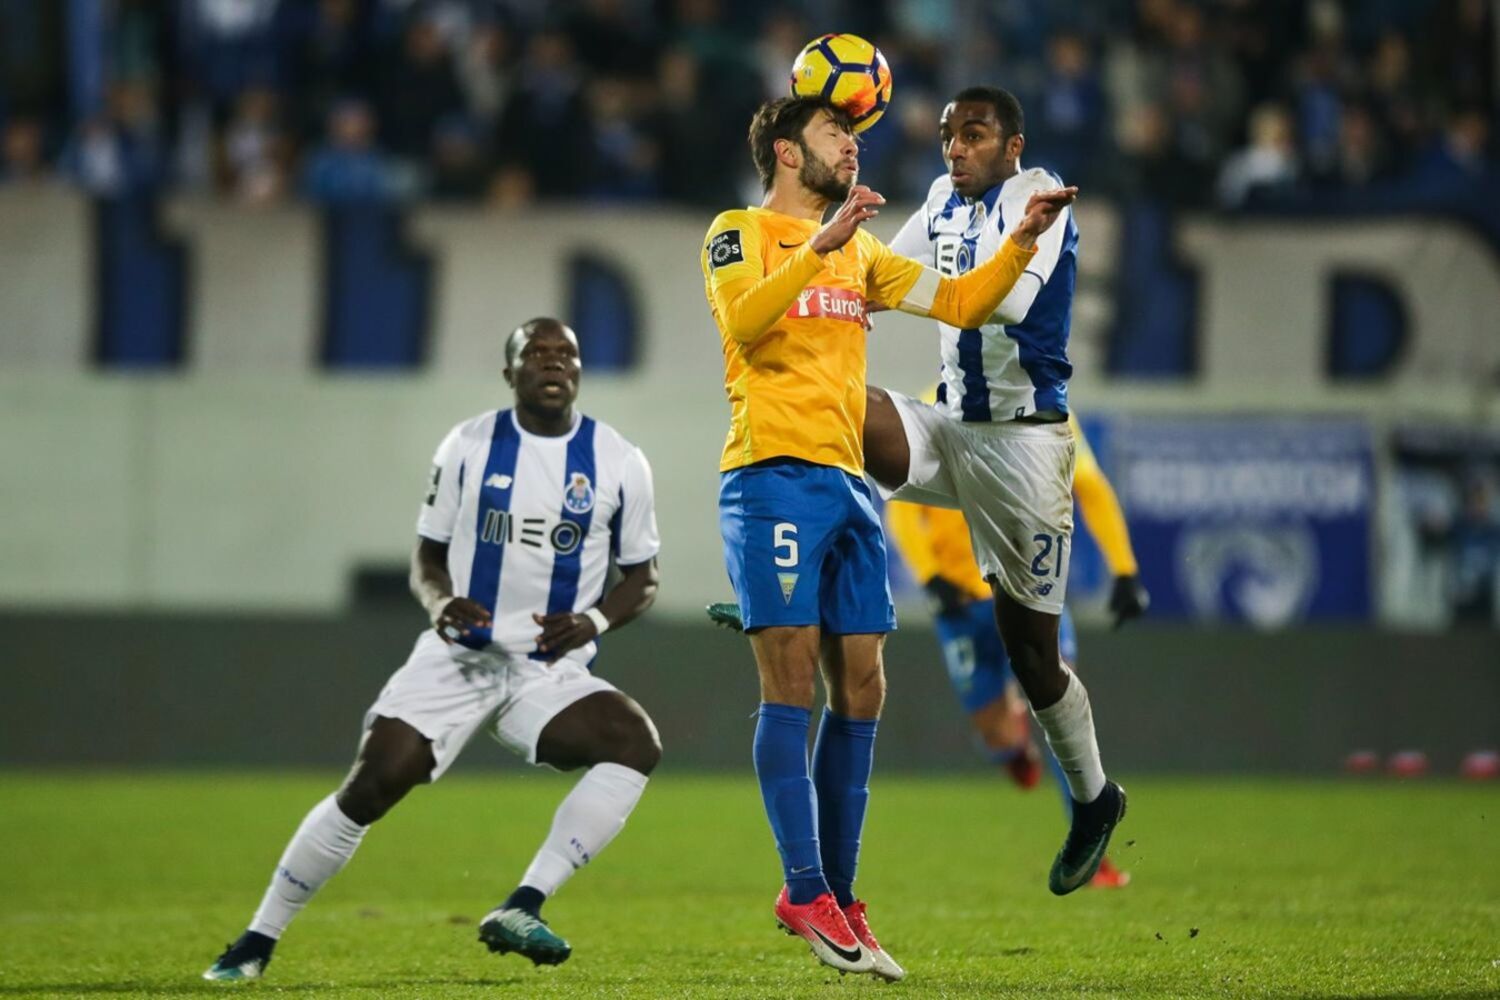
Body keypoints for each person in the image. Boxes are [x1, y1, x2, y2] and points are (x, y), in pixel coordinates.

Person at [699, 94, 1075, 980]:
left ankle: (840, 892)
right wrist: (817, 248)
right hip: (771, 474)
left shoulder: (863, 252)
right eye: (835, 133)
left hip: (849, 483)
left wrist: (1022, 241)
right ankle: (803, 890)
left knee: (863, 687)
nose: (852, 146)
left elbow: (962, 303)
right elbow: (743, 322)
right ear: (787, 151)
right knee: (791, 680)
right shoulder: (738, 232)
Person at [204, 318, 663, 981]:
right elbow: (427, 555)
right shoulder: (469, 446)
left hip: (547, 666)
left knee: (633, 742)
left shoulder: (619, 460)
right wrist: (442, 604)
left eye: (565, 353)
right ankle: (255, 940)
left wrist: (593, 621)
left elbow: (643, 577)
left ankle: (523, 904)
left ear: (579, 370)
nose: (552, 363)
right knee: (373, 784)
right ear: (510, 373)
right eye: (535, 354)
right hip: (460, 656)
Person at [862, 85, 1128, 898]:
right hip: (950, 426)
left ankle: (1094, 799)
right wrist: (822, 259)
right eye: (949, 134)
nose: (955, 148)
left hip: (1023, 449)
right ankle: (790, 576)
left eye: (974, 133)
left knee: (1034, 659)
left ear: (1013, 144)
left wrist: (906, 283)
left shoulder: (1038, 198)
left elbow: (1003, 304)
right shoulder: (942, 198)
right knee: (833, 410)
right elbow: (875, 275)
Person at [885, 412, 1148, 888]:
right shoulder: (937, 406)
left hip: (1029, 585)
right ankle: (1012, 746)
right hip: (962, 600)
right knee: (995, 730)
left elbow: (1090, 487)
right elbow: (903, 505)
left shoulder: (1051, 412)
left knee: (1057, 697)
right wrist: (929, 575)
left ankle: (1091, 844)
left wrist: (1124, 568)